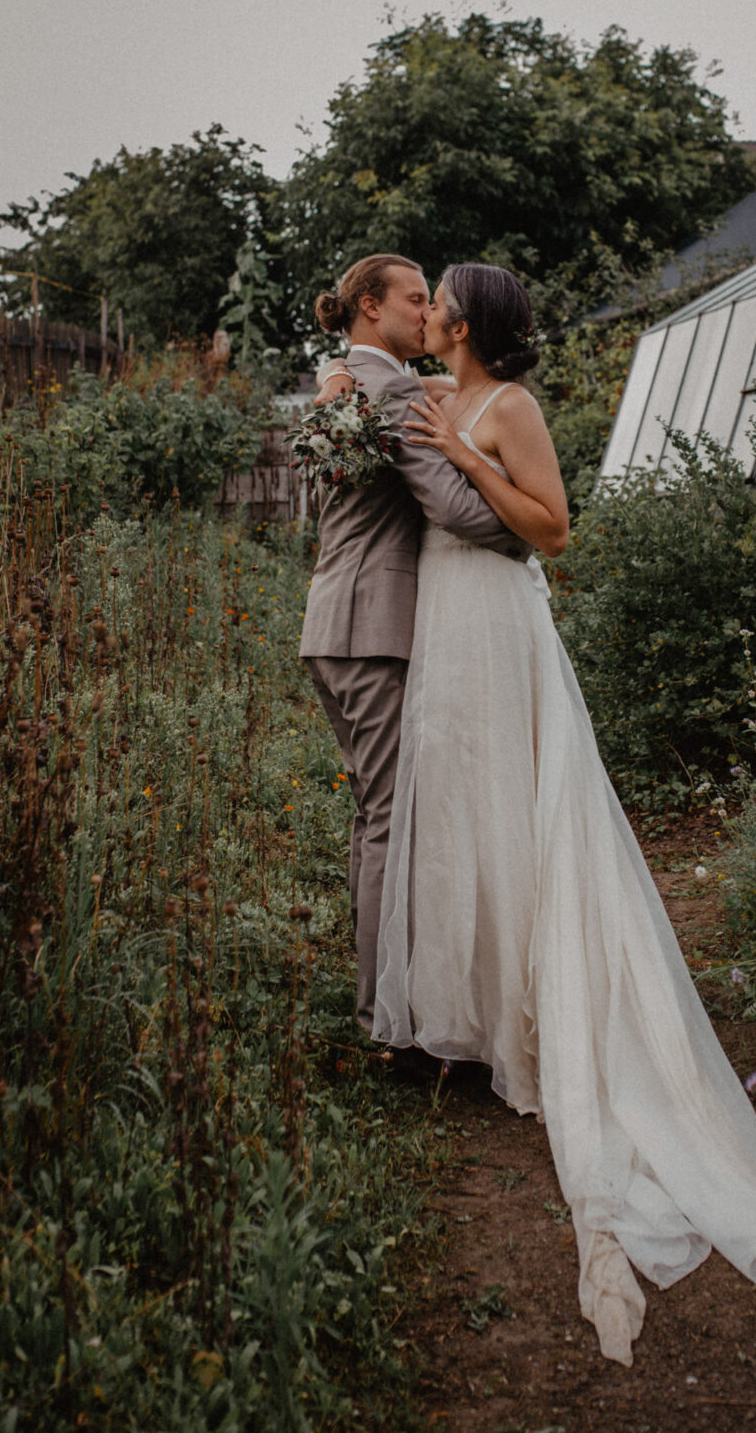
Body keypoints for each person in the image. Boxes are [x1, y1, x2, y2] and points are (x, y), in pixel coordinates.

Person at [369, 262, 756, 1364]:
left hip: (501, 618)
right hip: (444, 619)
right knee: (461, 810)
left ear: (469, 321)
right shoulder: (431, 393)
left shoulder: (509, 407)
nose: (429, 312)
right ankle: (482, 1017)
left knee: (519, 806)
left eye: (441, 301)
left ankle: (545, 1020)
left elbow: (554, 530)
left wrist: (467, 461)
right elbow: (384, 427)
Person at [299, 254, 530, 1036]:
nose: (427, 311)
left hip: (335, 625)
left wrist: (353, 369)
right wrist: (530, 533)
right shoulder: (386, 388)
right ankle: (383, 1016)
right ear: (370, 306)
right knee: (391, 821)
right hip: (372, 628)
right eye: (414, 298)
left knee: (375, 816)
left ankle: (383, 998)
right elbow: (453, 508)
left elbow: (424, 386)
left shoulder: (353, 380)